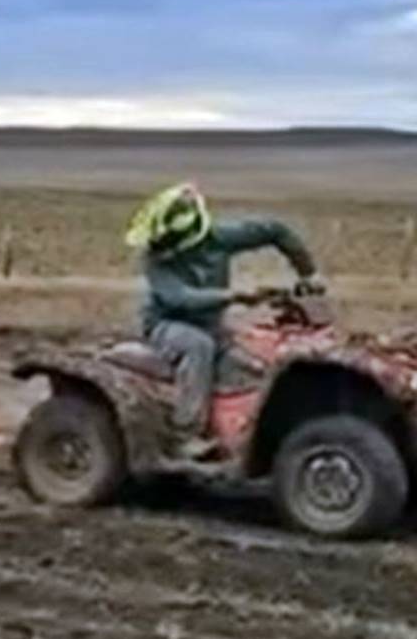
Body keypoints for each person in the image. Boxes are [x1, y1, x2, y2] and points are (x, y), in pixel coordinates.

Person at [125, 183, 322, 460]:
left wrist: (307, 273)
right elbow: (180, 299)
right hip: (168, 325)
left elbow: (275, 231)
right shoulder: (157, 261)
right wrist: (235, 296)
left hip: (210, 323)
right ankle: (186, 435)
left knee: (253, 361)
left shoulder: (218, 238)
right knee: (199, 347)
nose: (161, 246)